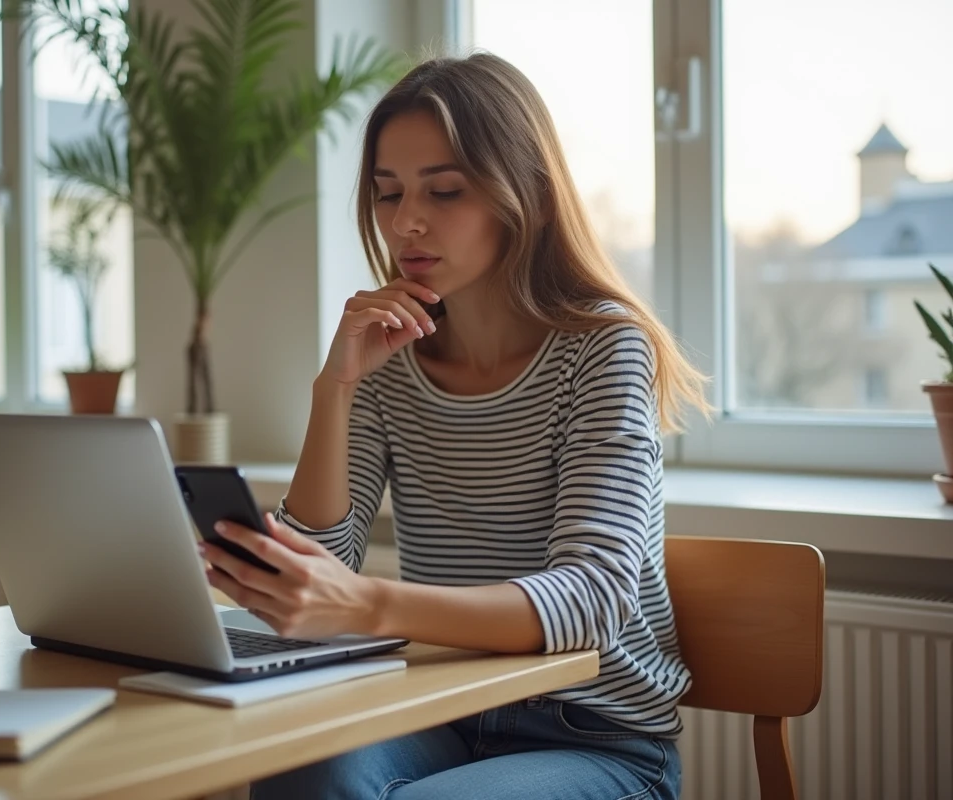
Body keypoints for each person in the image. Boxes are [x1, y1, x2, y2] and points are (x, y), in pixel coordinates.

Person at [197, 51, 712, 800]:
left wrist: (369, 602)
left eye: (445, 190)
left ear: (525, 195)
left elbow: (594, 599)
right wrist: (334, 388)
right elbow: (316, 566)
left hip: (597, 736)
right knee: (296, 768)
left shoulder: (604, 348)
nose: (407, 221)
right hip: (441, 708)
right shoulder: (387, 354)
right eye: (387, 193)